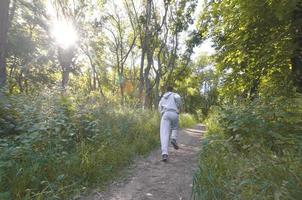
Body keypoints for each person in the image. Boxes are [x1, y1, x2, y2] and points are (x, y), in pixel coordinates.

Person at [158, 86, 182, 162]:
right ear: (172, 90)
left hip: (166, 114)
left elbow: (159, 107)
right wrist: (178, 109)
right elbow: (179, 102)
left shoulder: (163, 98)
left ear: (166, 90)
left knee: (164, 134)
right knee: (175, 127)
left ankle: (164, 154)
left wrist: (162, 113)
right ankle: (173, 138)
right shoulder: (175, 95)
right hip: (174, 113)